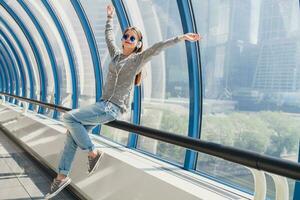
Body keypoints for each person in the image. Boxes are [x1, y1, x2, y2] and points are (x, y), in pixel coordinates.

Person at [45, 4, 201, 199]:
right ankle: (62, 176)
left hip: (112, 108)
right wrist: (110, 18)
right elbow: (108, 37)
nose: (127, 39)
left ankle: (93, 152)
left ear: (137, 43)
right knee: (71, 134)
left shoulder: (137, 60)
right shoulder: (116, 56)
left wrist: (181, 38)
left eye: (132, 38)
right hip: (102, 104)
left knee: (69, 117)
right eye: (125, 36)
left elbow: (157, 48)